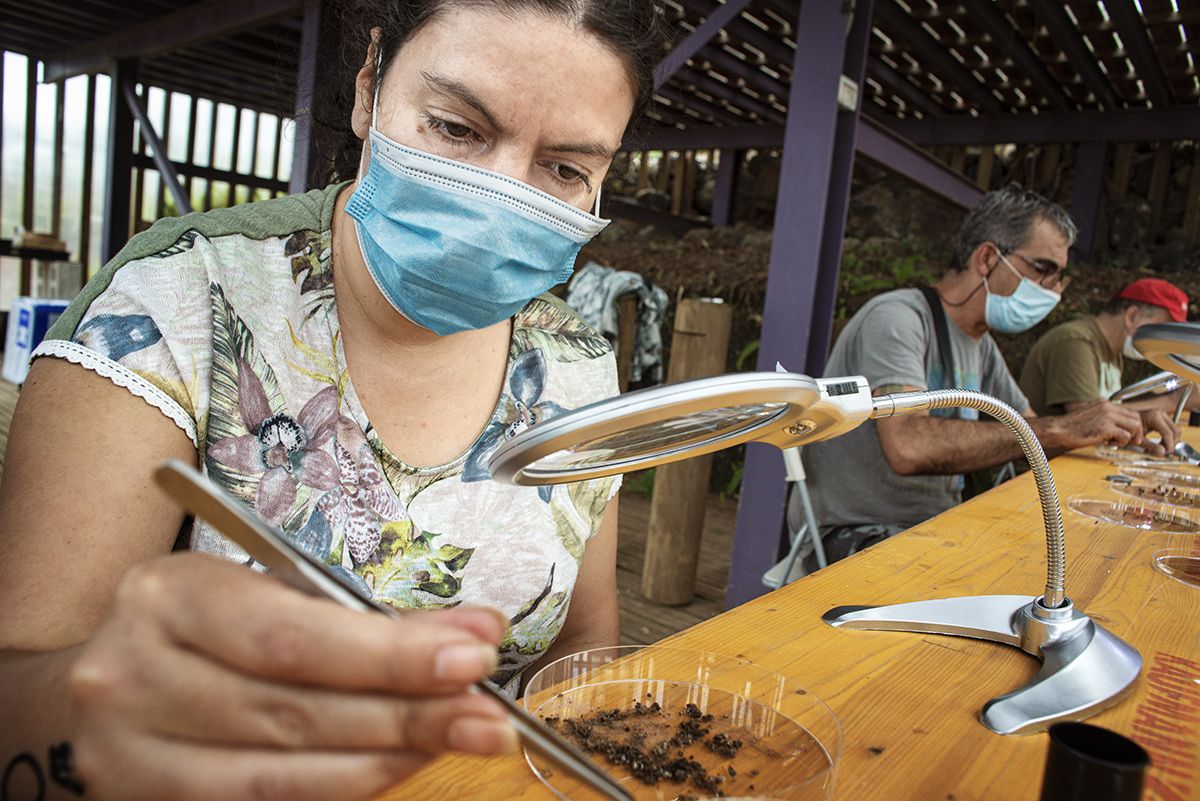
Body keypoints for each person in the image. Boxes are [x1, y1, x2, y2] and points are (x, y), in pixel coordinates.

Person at [0, 1, 668, 799]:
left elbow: (585, 640)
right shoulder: (176, 306)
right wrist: (106, 716)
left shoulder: (578, 365)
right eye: (457, 128)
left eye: (565, 169)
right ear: (368, 86)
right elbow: (18, 689)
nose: (500, 198)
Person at [796, 185, 1163, 569]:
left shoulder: (979, 342)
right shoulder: (898, 319)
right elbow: (908, 446)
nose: (1054, 292)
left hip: (932, 526)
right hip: (858, 533)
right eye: (1044, 270)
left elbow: (1032, 431)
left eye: (1060, 278)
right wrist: (1060, 429)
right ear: (988, 258)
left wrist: (1122, 422)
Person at [1020, 277, 1192, 417]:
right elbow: (1088, 420)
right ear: (1132, 317)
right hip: (1045, 459)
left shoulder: (1111, 351)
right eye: (1161, 329)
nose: (1164, 341)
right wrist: (1171, 402)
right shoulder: (1076, 342)